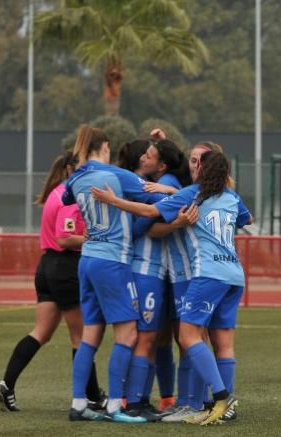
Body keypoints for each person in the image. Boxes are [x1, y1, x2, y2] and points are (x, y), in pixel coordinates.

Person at [91, 150, 252, 426]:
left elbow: (150, 211)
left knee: (189, 338)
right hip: (234, 276)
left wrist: (113, 200)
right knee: (217, 342)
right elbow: (247, 220)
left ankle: (221, 398)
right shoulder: (231, 196)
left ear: (201, 167)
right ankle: (206, 406)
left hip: (208, 274)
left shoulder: (194, 194)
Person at [62, 125, 164, 423]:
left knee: (90, 334)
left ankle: (79, 403)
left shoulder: (76, 178)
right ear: (105, 147)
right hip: (113, 261)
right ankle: (115, 406)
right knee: (128, 333)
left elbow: (67, 198)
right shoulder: (117, 176)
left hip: (88, 259)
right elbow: (153, 197)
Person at [0, 151, 105, 412]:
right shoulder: (70, 195)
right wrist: (93, 238)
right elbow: (66, 238)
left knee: (41, 333)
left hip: (47, 266)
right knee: (82, 337)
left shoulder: (57, 191)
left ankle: (6, 384)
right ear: (69, 169)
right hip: (65, 266)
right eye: (83, 168)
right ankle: (91, 397)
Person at [115, 138, 196, 421]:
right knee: (149, 337)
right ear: (141, 161)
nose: (150, 157)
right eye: (147, 153)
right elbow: (147, 227)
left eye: (155, 154)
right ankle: (135, 400)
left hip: (163, 273)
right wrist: (172, 218)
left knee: (159, 338)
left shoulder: (160, 181)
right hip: (147, 271)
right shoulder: (142, 185)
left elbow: (160, 217)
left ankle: (151, 399)